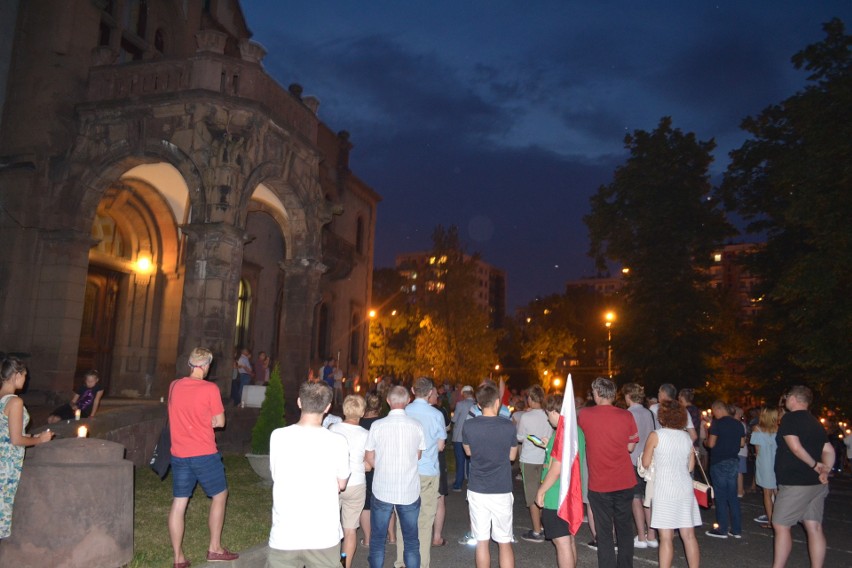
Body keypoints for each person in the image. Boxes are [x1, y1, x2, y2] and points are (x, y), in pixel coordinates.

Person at [168, 348, 238, 567]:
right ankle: (214, 548)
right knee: (220, 495)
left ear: (190, 364)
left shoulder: (174, 386)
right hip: (204, 452)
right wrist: (205, 419)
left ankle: (178, 557)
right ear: (206, 366)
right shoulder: (210, 388)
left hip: (179, 453)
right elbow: (220, 422)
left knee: (179, 502)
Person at [268, 381, 350, 568]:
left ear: (299, 402)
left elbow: (276, 474)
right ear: (328, 407)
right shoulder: (338, 441)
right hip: (323, 534)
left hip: (285, 533)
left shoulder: (278, 436)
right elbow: (342, 483)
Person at [577, 376, 638, 568]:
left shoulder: (585, 415)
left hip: (599, 482)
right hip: (624, 480)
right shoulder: (626, 416)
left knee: (604, 532)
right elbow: (630, 448)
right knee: (625, 528)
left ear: (597, 393)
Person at [771, 385, 833, 568]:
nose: (785, 400)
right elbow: (828, 450)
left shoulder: (790, 419)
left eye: (787, 396)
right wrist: (825, 469)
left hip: (796, 482)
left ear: (794, 399)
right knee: (814, 526)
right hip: (816, 484)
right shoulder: (815, 422)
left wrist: (816, 466)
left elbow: (795, 447)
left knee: (781, 525)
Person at [365, 385, 426, 568]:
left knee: (377, 540)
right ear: (408, 401)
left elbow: (369, 456)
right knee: (411, 542)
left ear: (388, 401)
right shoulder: (416, 426)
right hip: (408, 490)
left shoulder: (377, 426)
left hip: (382, 488)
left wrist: (382, 466)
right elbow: (418, 455)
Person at [463, 383, 518, 568]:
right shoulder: (508, 426)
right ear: (498, 403)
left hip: (478, 489)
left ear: (478, 404)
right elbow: (512, 456)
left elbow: (468, 452)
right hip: (501, 488)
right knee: (504, 541)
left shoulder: (469, 425)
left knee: (482, 541)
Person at [641, 401, 701, 568]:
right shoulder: (686, 437)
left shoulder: (656, 435)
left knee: (666, 537)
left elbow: (645, 462)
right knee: (689, 535)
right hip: (684, 487)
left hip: (664, 488)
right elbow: (690, 466)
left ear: (662, 416)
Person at [394, 377, 446, 568]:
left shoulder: (403, 412)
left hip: (405, 472)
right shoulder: (436, 415)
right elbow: (440, 446)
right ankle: (422, 564)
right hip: (427, 472)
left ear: (413, 391)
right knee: (425, 521)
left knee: (403, 519)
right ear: (431, 392)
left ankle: (401, 561)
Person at [1, 357, 54, 539]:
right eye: (24, 375)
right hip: (6, 465)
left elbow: (5, 433)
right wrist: (40, 440)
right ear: (16, 375)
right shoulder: (15, 402)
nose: (26, 380)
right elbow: (15, 440)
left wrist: (31, 437)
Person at [535, 393, 583, 568]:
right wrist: (549, 446)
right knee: (569, 540)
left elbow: (557, 467)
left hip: (557, 495)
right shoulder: (577, 431)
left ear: (555, 412)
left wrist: (541, 491)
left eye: (548, 414)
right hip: (571, 493)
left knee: (561, 542)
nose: (548, 419)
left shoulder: (560, 434)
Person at [330, 395, 370, 568]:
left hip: (333, 482)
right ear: (362, 412)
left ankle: (329, 562)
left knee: (329, 527)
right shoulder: (366, 434)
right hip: (356, 483)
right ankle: (344, 564)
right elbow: (369, 465)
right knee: (350, 529)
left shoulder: (332, 429)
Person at [622, 382, 658, 549]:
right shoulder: (650, 413)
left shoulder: (627, 414)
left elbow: (628, 441)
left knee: (635, 498)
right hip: (649, 460)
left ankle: (641, 536)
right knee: (648, 498)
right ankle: (652, 534)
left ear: (628, 396)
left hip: (633, 460)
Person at [358, 392, 396, 548]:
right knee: (387, 502)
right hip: (383, 466)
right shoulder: (384, 423)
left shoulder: (358, 424)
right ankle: (392, 536)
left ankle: (367, 539)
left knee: (366, 505)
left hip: (364, 467)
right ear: (381, 406)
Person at [515, 384, 551, 543]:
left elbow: (520, 437)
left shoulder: (526, 417)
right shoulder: (548, 415)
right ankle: (545, 526)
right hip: (546, 459)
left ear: (530, 398)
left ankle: (537, 531)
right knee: (544, 493)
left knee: (532, 496)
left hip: (529, 459)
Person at [704, 400, 745, 539]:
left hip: (719, 461)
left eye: (714, 411)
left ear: (718, 409)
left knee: (721, 496)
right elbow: (742, 443)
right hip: (733, 461)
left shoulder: (718, 423)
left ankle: (722, 529)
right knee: (732, 496)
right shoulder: (738, 424)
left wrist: (705, 440)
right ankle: (736, 529)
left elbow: (711, 444)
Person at [750, 406, 780, 528]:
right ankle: (780, 520)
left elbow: (757, 449)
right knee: (777, 491)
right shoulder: (779, 429)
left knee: (767, 493)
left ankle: (771, 521)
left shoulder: (757, 429)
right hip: (778, 462)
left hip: (765, 462)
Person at [428, 386, 451, 547]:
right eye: (436, 393)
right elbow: (445, 432)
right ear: (429, 394)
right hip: (435, 459)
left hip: (416, 459)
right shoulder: (439, 412)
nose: (438, 395)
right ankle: (436, 537)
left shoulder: (410, 410)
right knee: (439, 498)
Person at [451, 385, 476, 491]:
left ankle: (458, 484)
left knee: (460, 460)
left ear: (464, 394)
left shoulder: (460, 404)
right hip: (473, 436)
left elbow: (454, 419)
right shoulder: (477, 405)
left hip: (460, 436)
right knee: (472, 461)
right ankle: (472, 482)